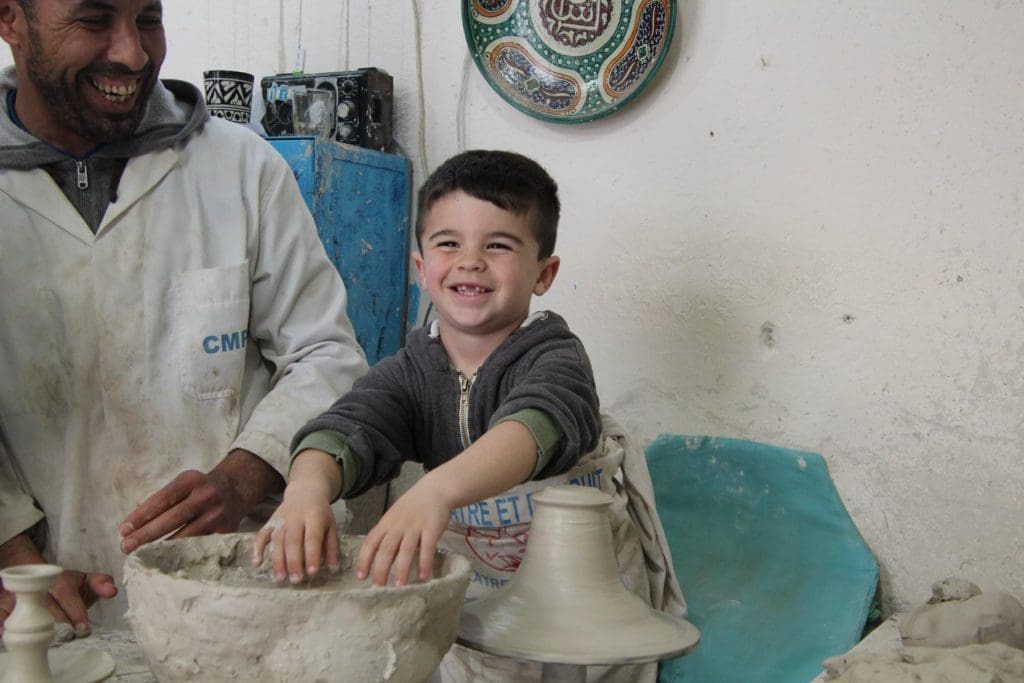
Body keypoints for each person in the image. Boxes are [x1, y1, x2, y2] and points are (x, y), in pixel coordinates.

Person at [0, 0, 368, 634]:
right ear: (11, 19)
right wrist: (10, 548)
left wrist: (241, 477)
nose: (133, 54)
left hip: (235, 602)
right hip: (40, 614)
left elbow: (327, 357)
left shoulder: (240, 168)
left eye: (148, 18)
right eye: (93, 20)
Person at [253, 149, 685, 682]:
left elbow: (534, 426)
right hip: (477, 620)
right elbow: (344, 428)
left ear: (543, 274)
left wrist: (434, 492)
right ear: (422, 268)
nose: (470, 261)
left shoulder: (554, 355)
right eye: (448, 243)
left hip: (586, 623)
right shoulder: (412, 371)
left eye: (498, 245)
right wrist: (305, 493)